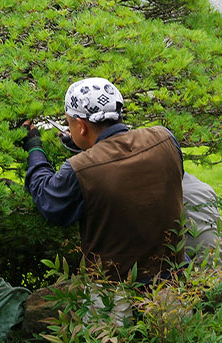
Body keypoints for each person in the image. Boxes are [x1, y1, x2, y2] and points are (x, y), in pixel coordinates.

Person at [22, 77, 185, 283]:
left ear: (81, 126)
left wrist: (34, 146)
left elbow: (49, 201)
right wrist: (85, 145)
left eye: (68, 122)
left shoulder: (80, 169)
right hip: (175, 278)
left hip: (117, 291)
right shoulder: (165, 138)